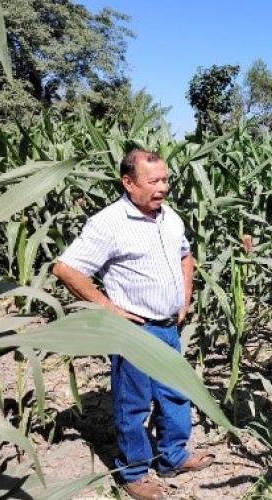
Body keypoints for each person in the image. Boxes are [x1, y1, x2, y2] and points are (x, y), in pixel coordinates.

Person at [53, 150, 213, 500]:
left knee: (175, 393)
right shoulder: (109, 222)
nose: (163, 188)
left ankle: (173, 456)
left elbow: (186, 254)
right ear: (128, 182)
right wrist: (108, 309)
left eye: (165, 180)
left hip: (169, 326)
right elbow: (65, 268)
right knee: (133, 403)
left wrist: (184, 297)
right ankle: (135, 472)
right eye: (154, 181)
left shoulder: (168, 217)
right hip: (135, 332)